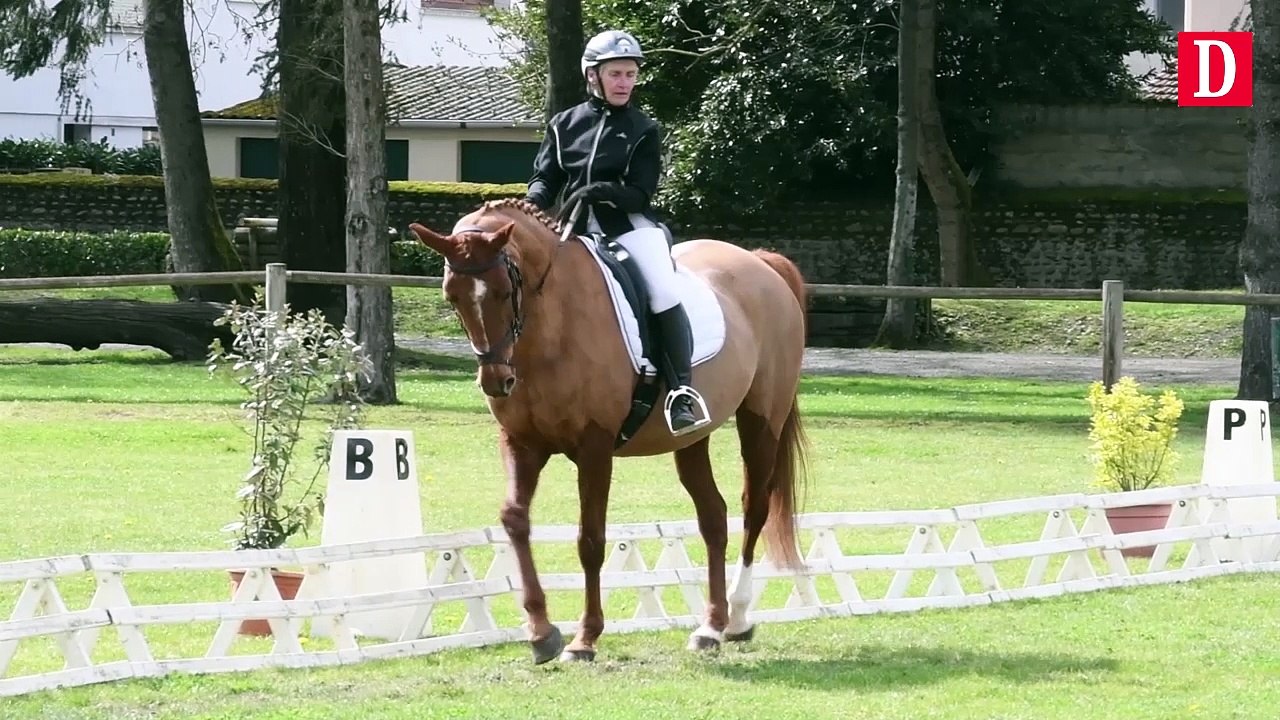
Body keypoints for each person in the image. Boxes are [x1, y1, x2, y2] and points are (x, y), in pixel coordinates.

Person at [524, 29, 710, 437]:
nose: (625, 82)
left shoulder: (643, 128)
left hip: (628, 228)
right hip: (570, 228)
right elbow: (545, 177)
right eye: (616, 74)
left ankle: (681, 392)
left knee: (662, 291)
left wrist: (599, 191)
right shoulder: (564, 124)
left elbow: (640, 194)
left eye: (630, 74)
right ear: (593, 76)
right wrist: (530, 205)